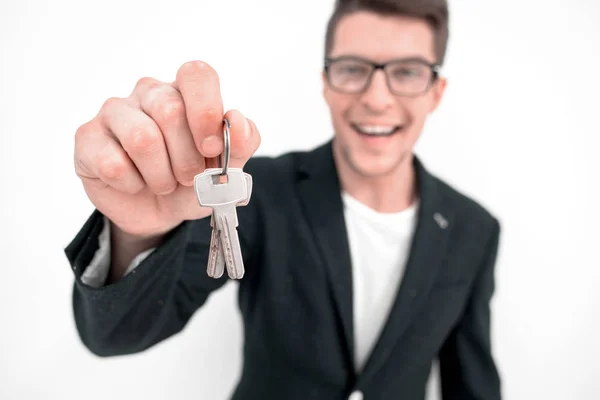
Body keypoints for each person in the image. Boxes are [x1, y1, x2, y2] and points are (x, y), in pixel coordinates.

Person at [65, 0, 502, 399]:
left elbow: (471, 386)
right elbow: (115, 335)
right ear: (326, 83)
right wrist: (138, 233)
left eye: (407, 72)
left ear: (436, 92)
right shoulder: (258, 190)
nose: (376, 98)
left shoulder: (473, 229)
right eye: (352, 68)